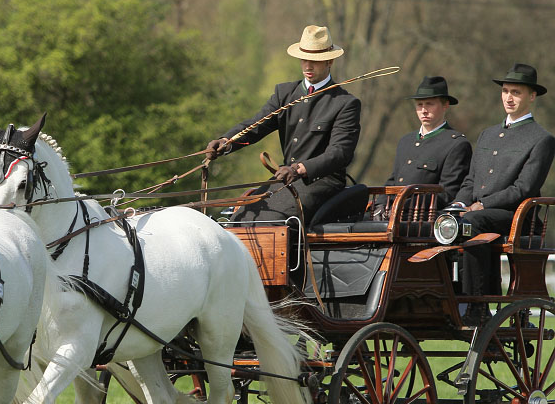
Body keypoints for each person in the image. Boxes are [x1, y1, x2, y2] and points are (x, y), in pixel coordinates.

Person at [207, 25, 361, 221]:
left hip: (322, 182)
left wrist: (299, 169)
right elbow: (256, 125)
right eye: (304, 59)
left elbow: (340, 153)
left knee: (271, 221)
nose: (308, 66)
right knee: (240, 219)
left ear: (329, 61)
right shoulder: (285, 93)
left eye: (314, 61)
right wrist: (226, 142)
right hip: (286, 179)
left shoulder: (345, 103)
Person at [448, 63, 555, 324]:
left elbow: (524, 188)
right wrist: (457, 205)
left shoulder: (541, 139)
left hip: (516, 216)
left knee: (471, 223)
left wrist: (481, 206)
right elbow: (470, 180)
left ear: (532, 96)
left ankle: (478, 306)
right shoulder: (487, 134)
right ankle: (447, 300)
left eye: (516, 92)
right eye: (506, 91)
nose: (509, 97)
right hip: (480, 212)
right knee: (446, 221)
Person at [380, 76, 471, 210]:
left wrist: (402, 206)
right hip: (394, 213)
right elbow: (393, 181)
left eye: (430, 104)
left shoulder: (456, 144)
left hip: (421, 218)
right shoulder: (406, 141)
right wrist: (379, 205)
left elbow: (447, 193)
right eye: (419, 105)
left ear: (445, 105)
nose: (424, 110)